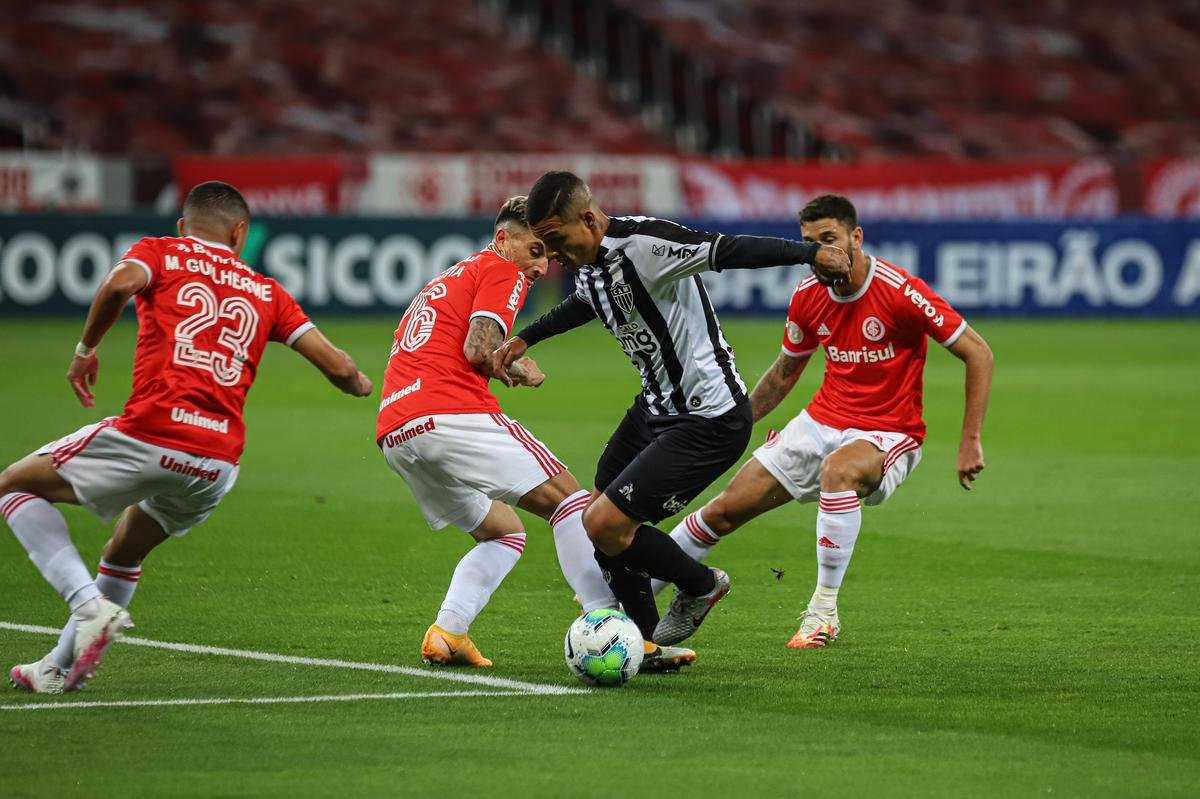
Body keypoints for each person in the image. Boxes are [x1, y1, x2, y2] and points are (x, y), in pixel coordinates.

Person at [3, 181, 373, 694]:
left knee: (13, 487)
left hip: (152, 432)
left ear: (184, 226)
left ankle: (88, 606)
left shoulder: (162, 251)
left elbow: (116, 286)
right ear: (240, 233)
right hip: (216, 463)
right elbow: (339, 367)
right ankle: (56, 667)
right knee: (124, 553)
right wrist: (361, 384)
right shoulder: (267, 291)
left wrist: (86, 349)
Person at [492, 171, 851, 647]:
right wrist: (526, 336)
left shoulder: (646, 244)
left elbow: (729, 250)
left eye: (556, 240)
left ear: (589, 217)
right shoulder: (590, 260)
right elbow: (587, 301)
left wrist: (810, 253)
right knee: (597, 518)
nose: (553, 254)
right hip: (655, 407)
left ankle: (701, 586)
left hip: (708, 417)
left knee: (605, 524)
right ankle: (646, 644)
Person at [653, 193, 994, 648]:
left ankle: (823, 612)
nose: (821, 253)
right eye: (811, 243)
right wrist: (734, 421)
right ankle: (628, 593)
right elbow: (784, 372)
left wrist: (970, 439)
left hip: (888, 432)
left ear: (856, 237)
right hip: (820, 421)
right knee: (723, 510)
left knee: (838, 470)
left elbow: (978, 352)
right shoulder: (808, 296)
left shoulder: (900, 291)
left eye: (830, 239)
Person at [377, 196, 693, 672]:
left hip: (397, 429)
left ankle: (449, 631)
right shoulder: (500, 269)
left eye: (548, 254)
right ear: (502, 238)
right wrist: (520, 366)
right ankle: (609, 625)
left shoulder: (449, 276)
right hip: (449, 412)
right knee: (570, 502)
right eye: (535, 250)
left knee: (502, 534)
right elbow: (480, 347)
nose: (543, 266)